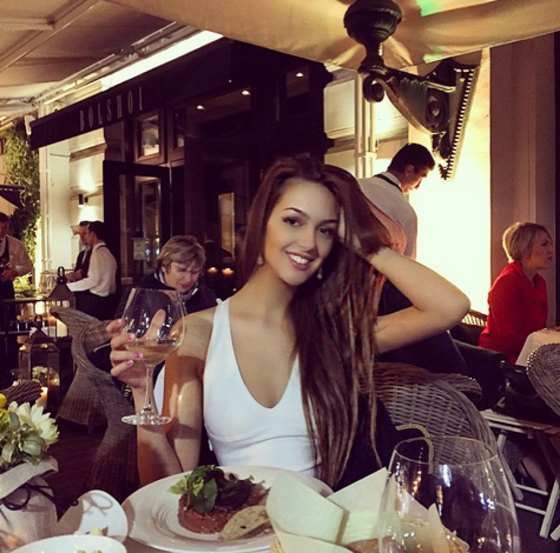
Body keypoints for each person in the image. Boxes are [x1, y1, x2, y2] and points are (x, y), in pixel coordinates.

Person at [109, 157, 469, 489]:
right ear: (263, 221)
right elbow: (172, 487)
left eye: (326, 230)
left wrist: (365, 242)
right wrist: (142, 394)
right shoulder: (199, 334)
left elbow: (449, 307)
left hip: (326, 524)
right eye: (293, 221)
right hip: (240, 528)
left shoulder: (333, 333)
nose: (308, 243)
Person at [479, 222, 553, 364]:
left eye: (550, 244)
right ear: (524, 250)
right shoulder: (507, 282)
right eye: (544, 245)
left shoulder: (539, 282)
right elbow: (508, 337)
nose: (551, 250)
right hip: (503, 359)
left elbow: (539, 328)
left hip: (530, 353)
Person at [358, 143, 435, 259]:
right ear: (409, 170)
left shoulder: (354, 185)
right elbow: (408, 263)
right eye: (420, 179)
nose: (417, 187)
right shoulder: (405, 211)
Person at [115, 235, 217, 318]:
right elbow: (125, 330)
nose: (188, 279)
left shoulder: (207, 297)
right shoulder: (140, 293)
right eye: (181, 270)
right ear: (164, 266)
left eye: (195, 272)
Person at [0, 212, 33, 387]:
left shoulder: (15, 244)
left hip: (6, 290)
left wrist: (15, 272)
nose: (1, 232)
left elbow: (28, 265)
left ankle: (11, 370)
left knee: (9, 327)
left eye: (4, 228)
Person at [67, 220, 117, 320]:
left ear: (93, 235)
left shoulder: (97, 254)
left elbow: (93, 280)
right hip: (106, 302)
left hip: (94, 303)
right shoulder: (108, 253)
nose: (85, 237)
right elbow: (112, 286)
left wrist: (68, 287)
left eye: (87, 233)